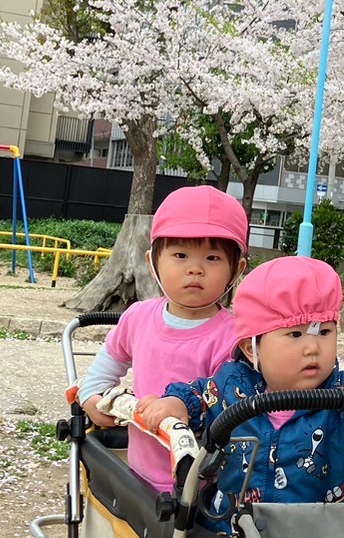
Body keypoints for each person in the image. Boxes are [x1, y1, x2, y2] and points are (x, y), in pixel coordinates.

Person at [139, 255, 344, 534]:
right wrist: (177, 403)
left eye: (325, 331)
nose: (312, 347)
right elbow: (197, 395)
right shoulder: (230, 386)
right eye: (294, 333)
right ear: (251, 347)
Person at [76, 186, 250, 493]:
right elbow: (103, 371)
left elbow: (231, 411)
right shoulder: (137, 317)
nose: (195, 269)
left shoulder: (233, 337)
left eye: (212, 258)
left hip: (201, 485)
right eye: (180, 255)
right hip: (138, 475)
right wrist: (91, 399)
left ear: (235, 270)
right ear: (153, 261)